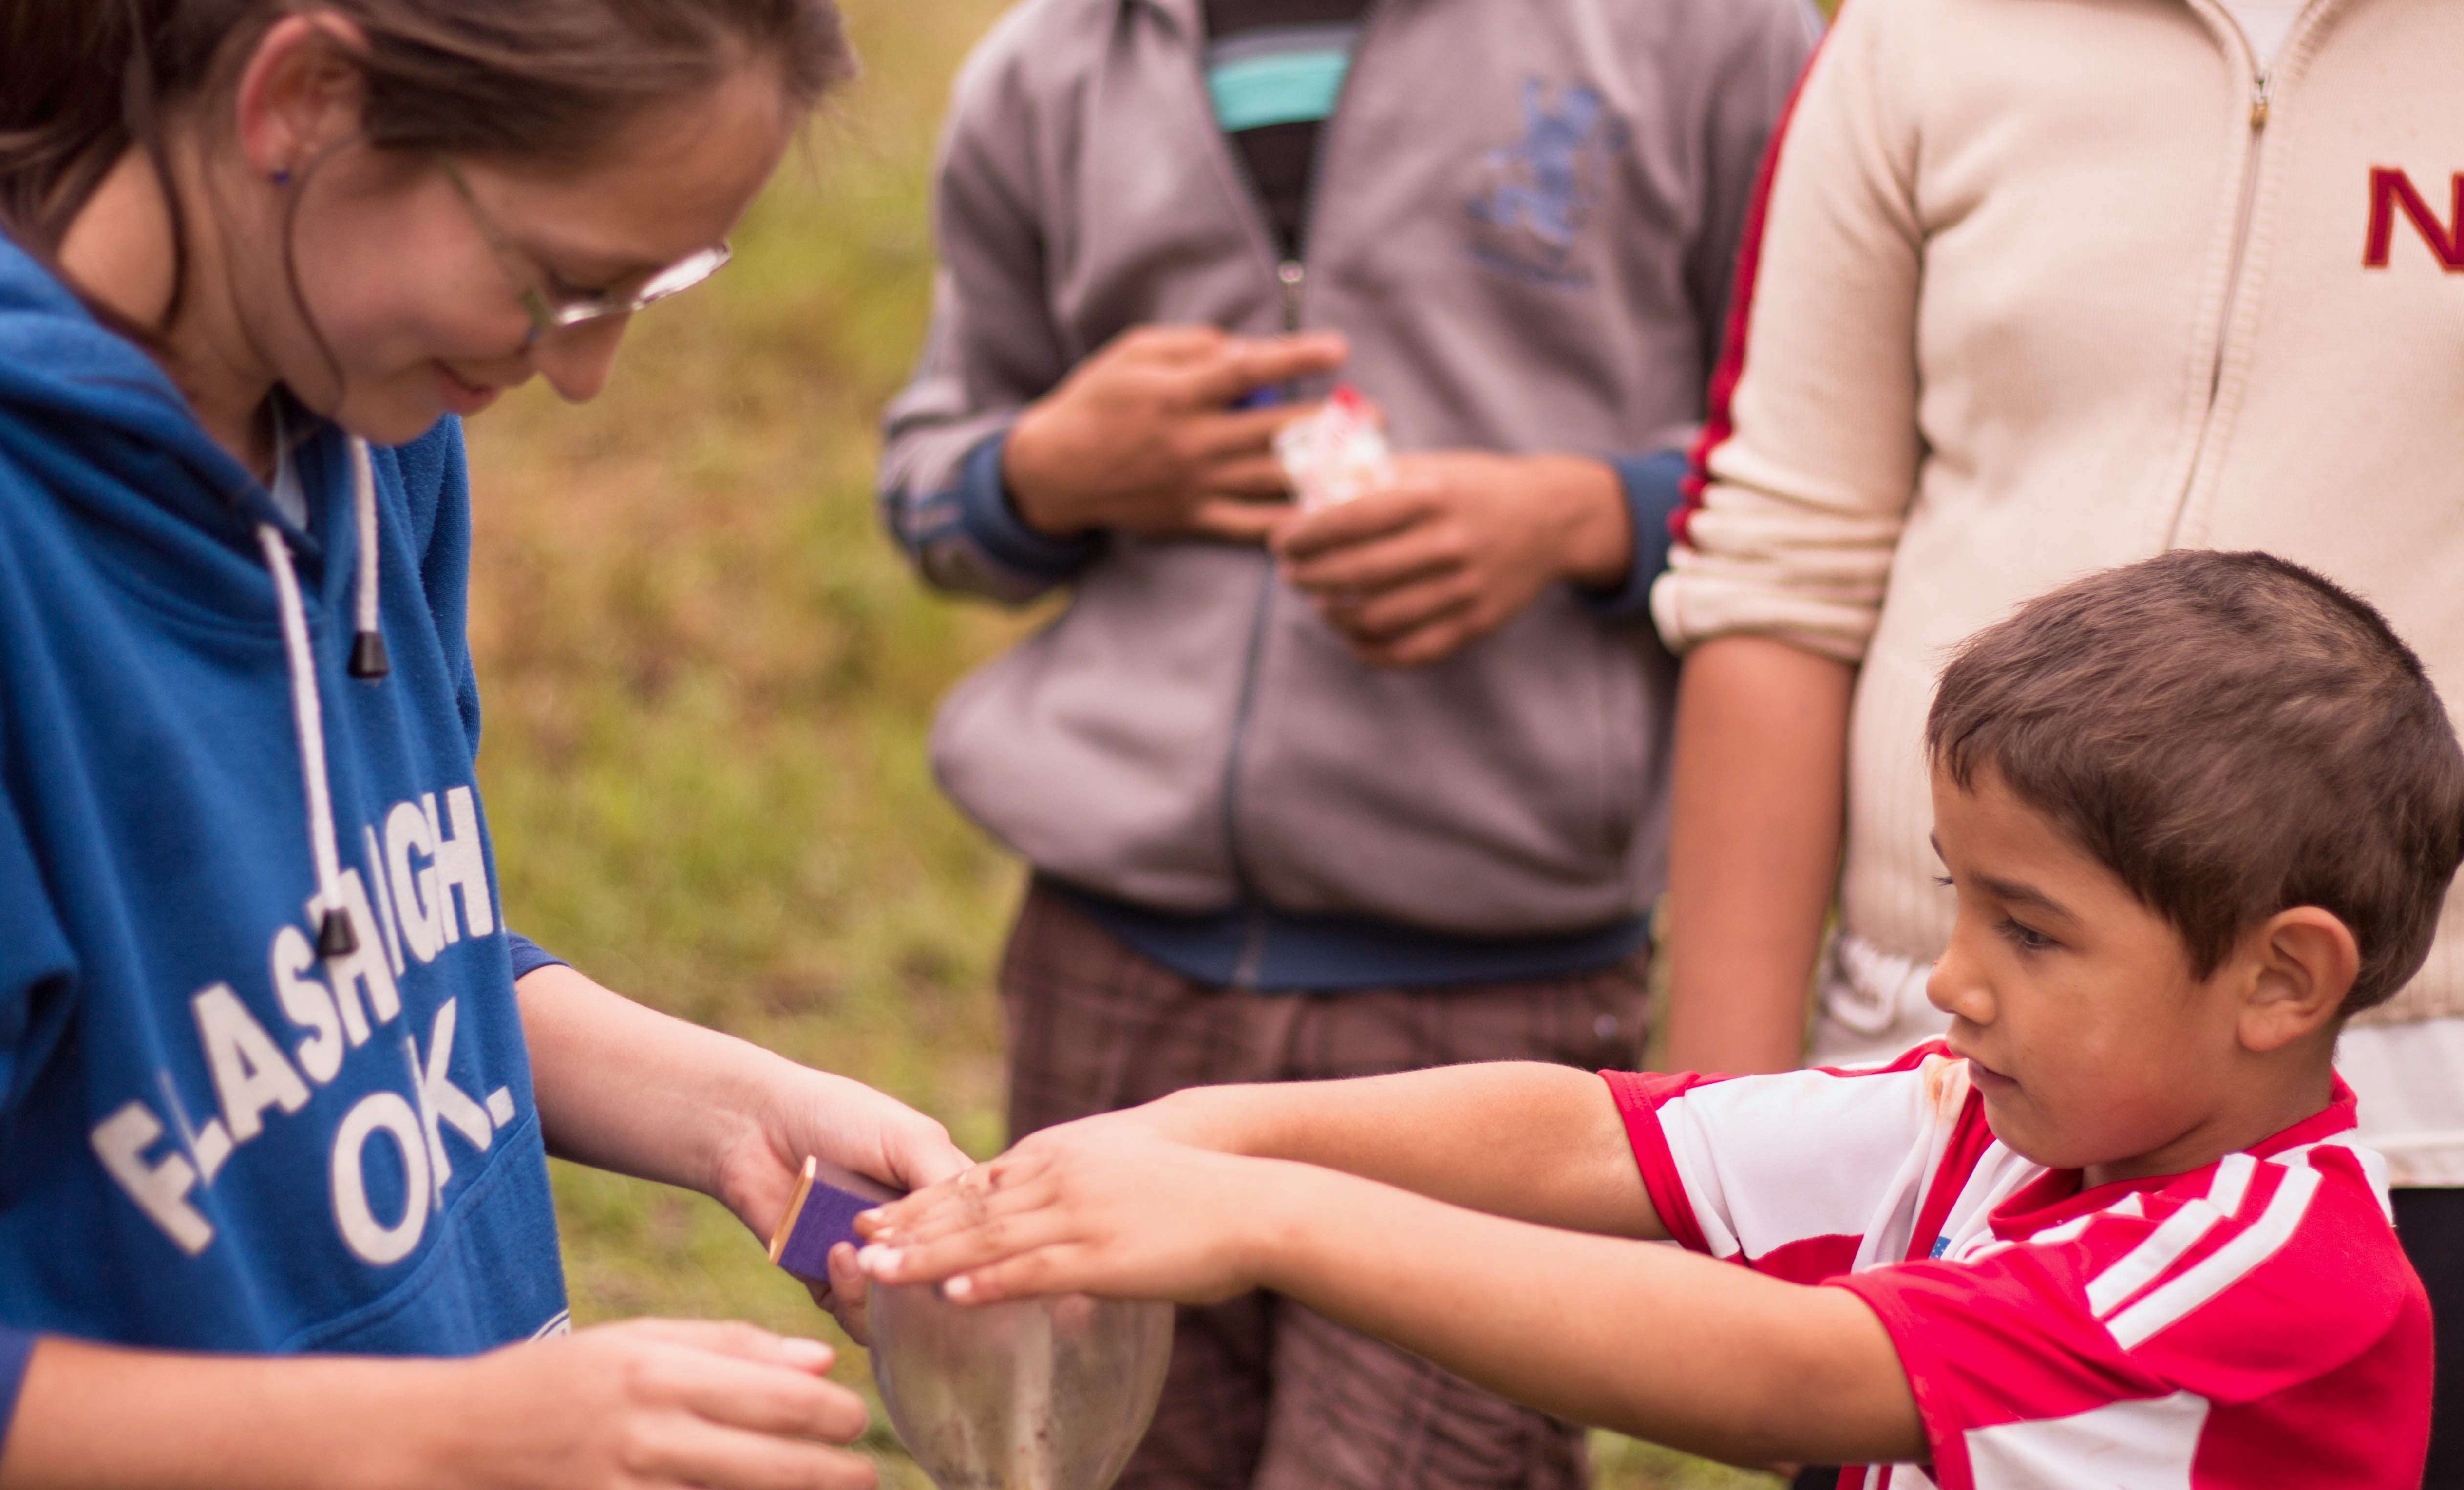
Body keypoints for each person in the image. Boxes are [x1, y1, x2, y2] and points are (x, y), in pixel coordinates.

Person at [0, 0, 971, 1486]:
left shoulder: (361, 419)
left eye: (660, 282)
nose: (585, 374)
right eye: (559, 282)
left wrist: (724, 1107)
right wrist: (436, 1438)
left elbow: (357, 968)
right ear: (306, 104)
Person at [875, 0, 1817, 1481]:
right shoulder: (1053, 59)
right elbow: (931, 493)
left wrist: (1580, 514)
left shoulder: (1705, 12)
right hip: (1108, 980)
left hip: (1490, 1003)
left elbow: (1832, 462)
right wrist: (1052, 469)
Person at [857, 550, 2455, 1490]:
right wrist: (1197, 1134)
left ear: (2279, 980)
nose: (1949, 981)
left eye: (2030, 932)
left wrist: (1271, 1214)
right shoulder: (1974, 1115)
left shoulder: (2276, 1260)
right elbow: (1604, 1132)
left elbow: (1799, 1376)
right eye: (1958, 900)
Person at [1649, 0, 2464, 1474]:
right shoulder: (1939, 6)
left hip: (2422, 1133)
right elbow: (1782, 571)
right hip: (1948, 1107)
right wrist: (1719, 1126)